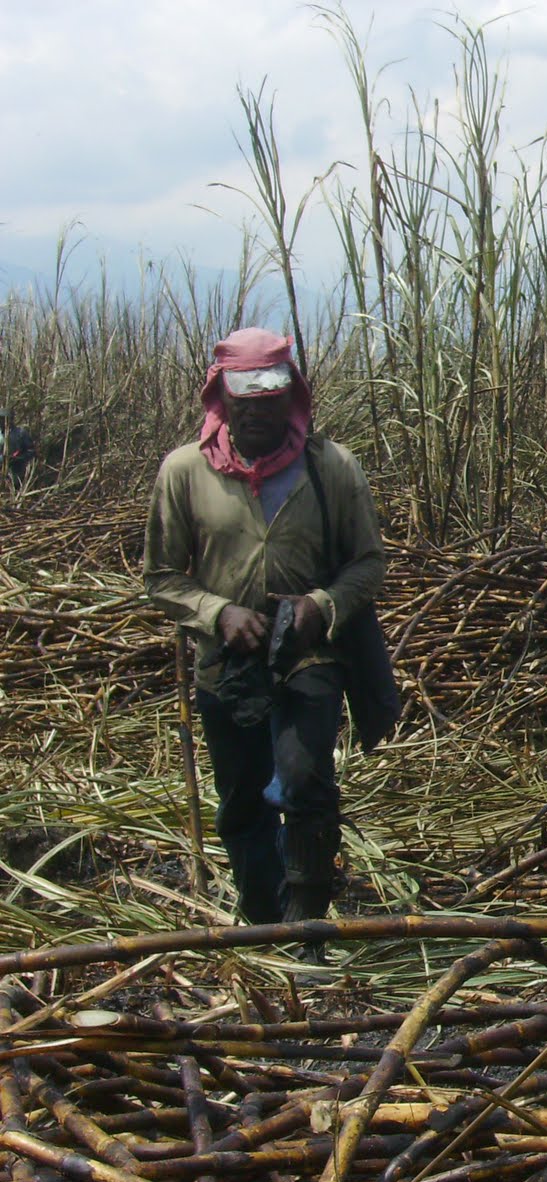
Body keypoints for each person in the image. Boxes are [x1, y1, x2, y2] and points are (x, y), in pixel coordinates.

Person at [144, 328, 385, 951]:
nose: (256, 411)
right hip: (227, 662)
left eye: (269, 398)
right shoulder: (184, 472)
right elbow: (162, 577)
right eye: (242, 398)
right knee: (243, 799)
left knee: (306, 782)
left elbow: (368, 564)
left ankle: (307, 925)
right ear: (220, 398)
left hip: (311, 652)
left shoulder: (331, 468)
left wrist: (321, 605)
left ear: (292, 398)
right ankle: (262, 921)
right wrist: (217, 611)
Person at [2, 411, 36, 486]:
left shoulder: (20, 433)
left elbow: (31, 451)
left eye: (2, 419)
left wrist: (18, 458)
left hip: (16, 471)